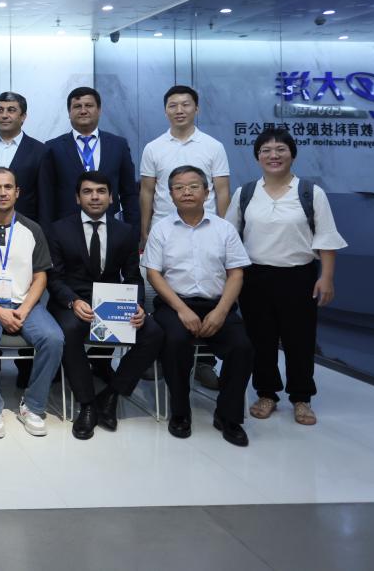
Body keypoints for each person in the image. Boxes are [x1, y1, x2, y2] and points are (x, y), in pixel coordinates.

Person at [226, 129, 346, 426]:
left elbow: (326, 237)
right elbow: (229, 237)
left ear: (292, 154)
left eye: (280, 149)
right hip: (254, 277)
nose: (273, 155)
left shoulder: (310, 192)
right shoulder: (246, 193)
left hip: (299, 277)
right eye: (266, 150)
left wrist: (327, 277)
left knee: (300, 340)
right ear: (257, 157)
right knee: (260, 339)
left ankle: (301, 398)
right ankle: (266, 393)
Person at [47, 170, 163, 440]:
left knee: (153, 333)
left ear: (111, 198)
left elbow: (132, 277)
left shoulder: (125, 231)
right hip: (72, 302)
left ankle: (111, 395)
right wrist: (73, 300)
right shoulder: (59, 229)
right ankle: (87, 404)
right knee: (69, 330)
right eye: (87, 192)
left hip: (111, 302)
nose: (95, 197)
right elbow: (54, 278)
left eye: (101, 191)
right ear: (77, 198)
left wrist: (137, 304)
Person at [143, 166, 253, 446]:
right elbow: (154, 274)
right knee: (175, 341)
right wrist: (182, 310)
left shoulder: (224, 229)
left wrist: (221, 311)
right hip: (174, 304)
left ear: (207, 191)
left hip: (218, 304)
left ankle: (228, 416)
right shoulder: (161, 229)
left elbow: (236, 274)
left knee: (242, 347)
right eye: (179, 188)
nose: (187, 192)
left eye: (193, 186)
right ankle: (180, 413)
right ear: (170, 194)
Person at [0, 167, 64, 439]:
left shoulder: (33, 229)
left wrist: (23, 309)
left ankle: (32, 406)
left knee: (54, 338)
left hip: (25, 304)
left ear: (17, 192)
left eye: (8, 187)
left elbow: (41, 276)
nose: (3, 192)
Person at [139, 85, 231, 248]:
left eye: (186, 104)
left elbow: (222, 191)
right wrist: (144, 230)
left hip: (206, 227)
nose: (179, 110)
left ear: (196, 109)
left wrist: (225, 229)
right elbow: (147, 191)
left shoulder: (214, 146)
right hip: (163, 227)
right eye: (173, 106)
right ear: (165, 111)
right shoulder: (152, 148)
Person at [40, 87, 140, 235]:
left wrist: (133, 233)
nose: (83, 111)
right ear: (69, 112)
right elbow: (46, 197)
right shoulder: (53, 147)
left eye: (89, 105)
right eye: (77, 106)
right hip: (66, 232)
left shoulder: (118, 145)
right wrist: (47, 235)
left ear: (99, 110)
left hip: (110, 230)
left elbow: (129, 193)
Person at [0, 92, 46, 221]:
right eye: (0, 110)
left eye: (11, 110)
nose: (4, 115)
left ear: (23, 116)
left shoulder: (40, 151)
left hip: (25, 226)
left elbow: (45, 198)